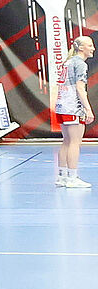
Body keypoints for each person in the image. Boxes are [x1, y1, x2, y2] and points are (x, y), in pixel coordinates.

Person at [57, 35, 94, 189]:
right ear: (81, 48)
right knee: (75, 142)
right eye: (90, 45)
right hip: (72, 106)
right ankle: (72, 178)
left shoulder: (68, 62)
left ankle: (62, 176)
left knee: (66, 141)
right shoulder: (80, 64)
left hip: (61, 104)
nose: (93, 48)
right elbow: (80, 88)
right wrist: (88, 109)